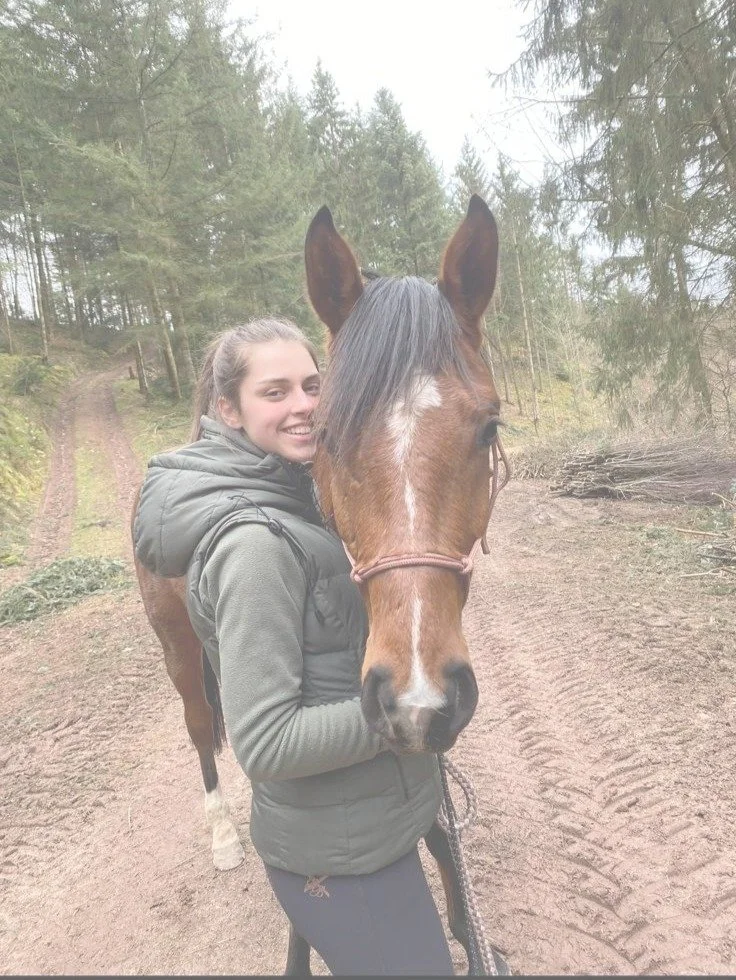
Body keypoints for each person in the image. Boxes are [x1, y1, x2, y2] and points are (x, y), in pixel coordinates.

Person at [133, 318, 454, 976]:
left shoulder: (301, 492)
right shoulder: (255, 546)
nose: (305, 404)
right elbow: (268, 743)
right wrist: (410, 711)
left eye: (312, 385)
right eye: (274, 392)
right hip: (339, 852)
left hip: (362, 819)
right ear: (228, 409)